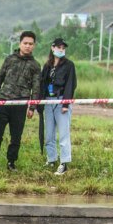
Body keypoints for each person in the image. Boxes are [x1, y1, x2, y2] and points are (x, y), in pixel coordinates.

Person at [0, 31, 40, 172]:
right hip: (3, 102)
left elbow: (36, 88)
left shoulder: (35, 65)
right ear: (20, 44)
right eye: (25, 43)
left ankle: (11, 162)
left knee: (16, 136)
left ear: (34, 46)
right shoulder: (9, 59)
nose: (27, 46)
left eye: (30, 44)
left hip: (20, 105)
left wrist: (32, 107)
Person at [39, 38, 77, 175]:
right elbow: (42, 84)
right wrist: (39, 103)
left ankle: (64, 162)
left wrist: (66, 103)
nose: (61, 50)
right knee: (49, 134)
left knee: (63, 134)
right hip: (48, 101)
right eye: (58, 47)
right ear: (52, 48)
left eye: (63, 48)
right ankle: (51, 159)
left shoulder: (69, 65)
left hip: (61, 101)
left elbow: (70, 85)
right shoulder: (47, 66)